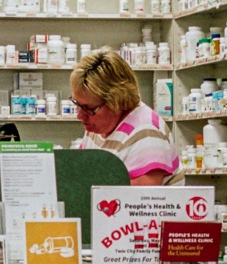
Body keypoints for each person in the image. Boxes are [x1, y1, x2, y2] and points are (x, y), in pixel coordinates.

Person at [69, 49, 180, 186]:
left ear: (117, 101)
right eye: (77, 104)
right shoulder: (97, 126)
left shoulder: (147, 133)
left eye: (88, 108)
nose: (80, 115)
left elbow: (141, 201)